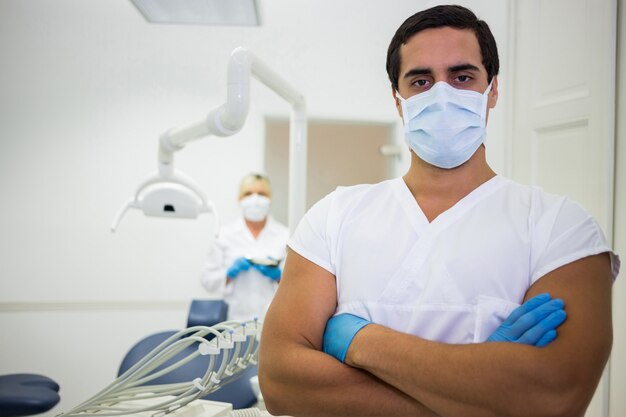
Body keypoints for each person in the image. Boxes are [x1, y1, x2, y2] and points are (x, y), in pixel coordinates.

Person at [259, 5, 620, 417]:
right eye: (421, 80)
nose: (442, 93)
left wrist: (360, 342)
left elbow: (554, 396)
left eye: (462, 77)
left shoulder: (561, 228)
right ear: (398, 100)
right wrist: (484, 392)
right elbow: (280, 381)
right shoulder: (333, 218)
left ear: (493, 90)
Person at [201, 173, 289, 322]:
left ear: (270, 199)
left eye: (261, 194)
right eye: (248, 193)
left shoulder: (285, 235)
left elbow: (297, 286)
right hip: (235, 321)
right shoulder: (223, 235)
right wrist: (229, 273)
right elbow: (207, 282)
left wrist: (280, 276)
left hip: (274, 321)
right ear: (239, 199)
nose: (255, 199)